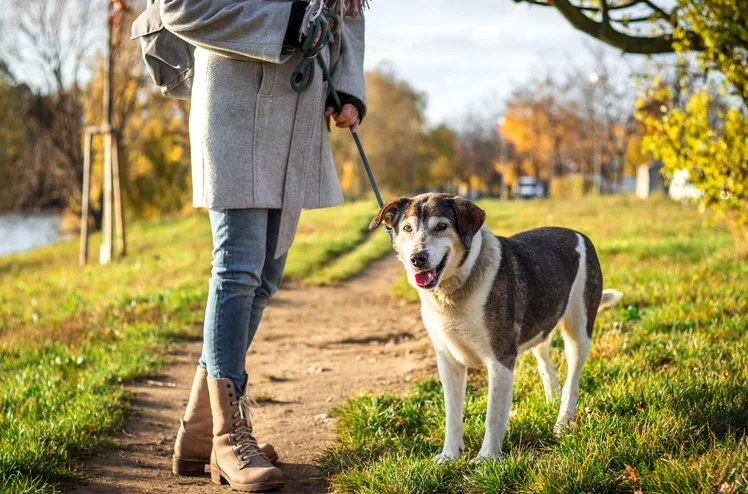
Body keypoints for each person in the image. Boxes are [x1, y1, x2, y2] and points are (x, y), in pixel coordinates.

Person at [158, 0, 367, 490]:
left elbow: (348, 10)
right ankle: (229, 438)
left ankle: (197, 433)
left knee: (266, 278)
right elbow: (179, 8)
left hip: (297, 113)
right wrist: (289, 23)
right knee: (238, 267)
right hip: (234, 108)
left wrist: (347, 83)